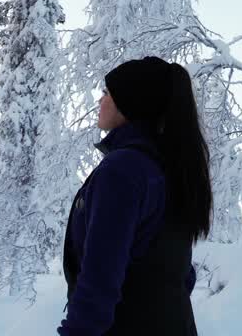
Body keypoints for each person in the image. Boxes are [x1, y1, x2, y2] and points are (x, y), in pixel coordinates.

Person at [57, 56, 212, 336]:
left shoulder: (122, 171)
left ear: (129, 104)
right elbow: (179, 274)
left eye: (107, 93)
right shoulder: (169, 168)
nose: (100, 100)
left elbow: (99, 281)